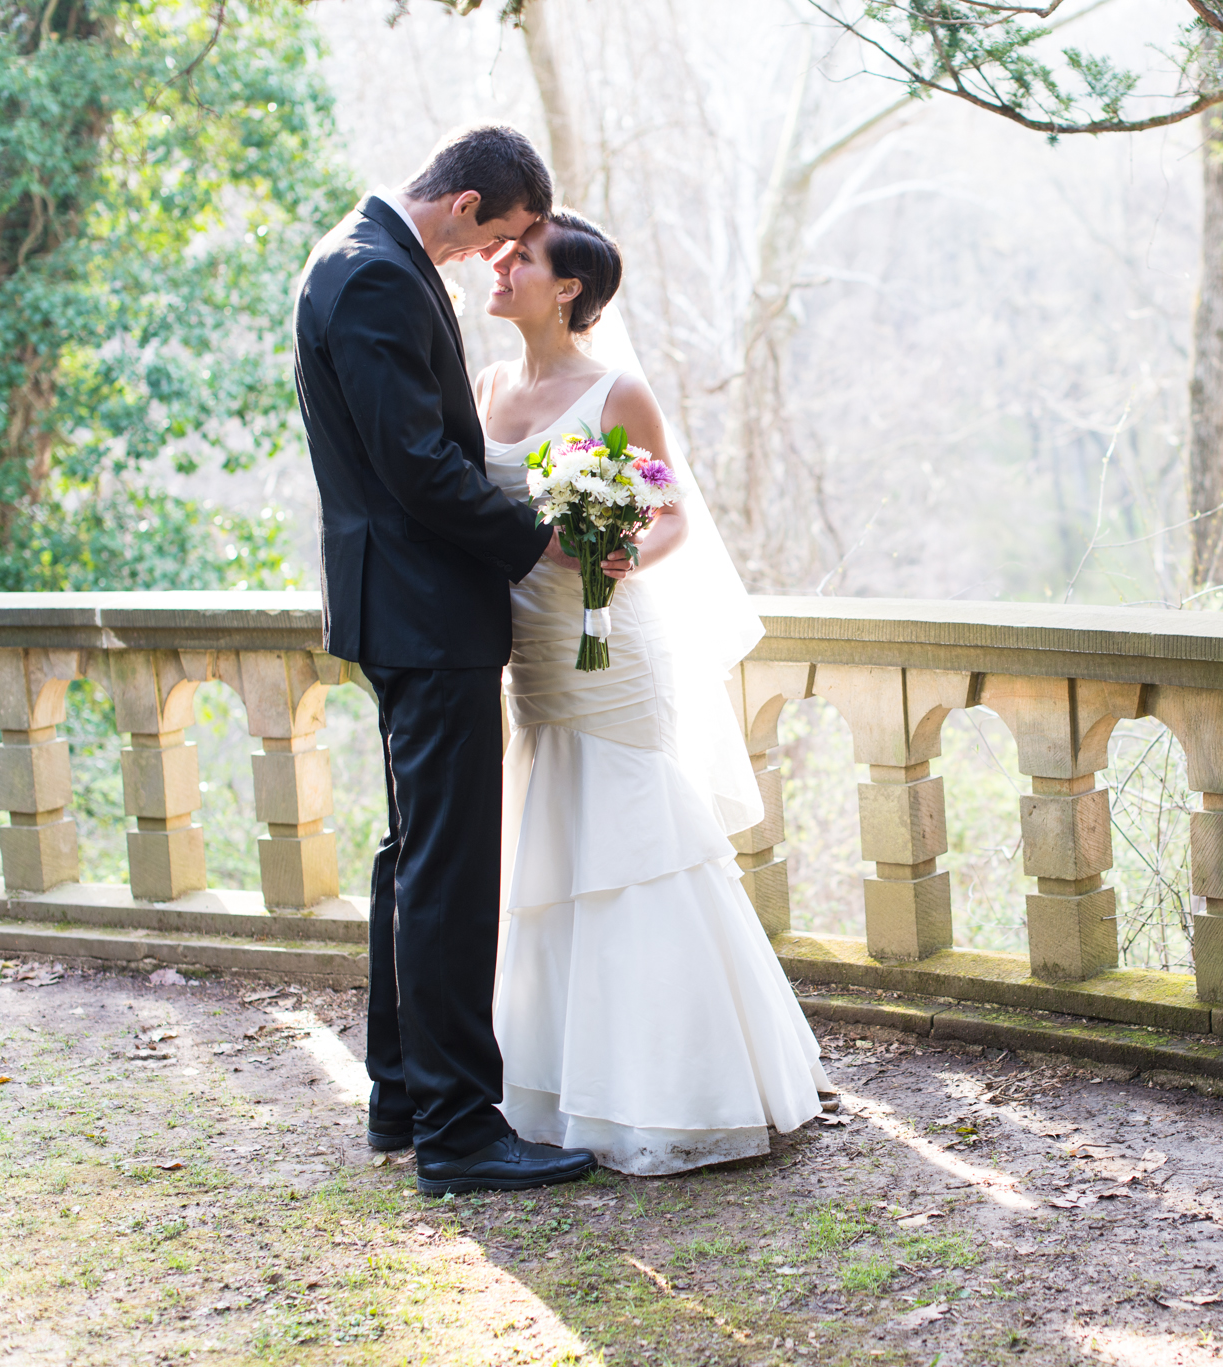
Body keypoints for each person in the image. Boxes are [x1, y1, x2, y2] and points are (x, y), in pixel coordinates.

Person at [476, 211, 832, 1175]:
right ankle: (556, 1085)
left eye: (524, 259)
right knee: (554, 844)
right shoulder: (490, 385)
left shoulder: (616, 391)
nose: (500, 267)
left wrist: (616, 553)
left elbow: (671, 514)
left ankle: (684, 1087)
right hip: (530, 653)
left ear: (568, 292)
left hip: (610, 646)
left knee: (635, 842)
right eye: (503, 255)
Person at [293, 124, 598, 1196]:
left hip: (407, 609)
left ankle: (405, 1096)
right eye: (502, 235)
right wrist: (539, 540)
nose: (493, 259)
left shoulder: (357, 254)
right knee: (450, 871)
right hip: (426, 612)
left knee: (415, 856)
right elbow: (417, 465)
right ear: (467, 203)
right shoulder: (374, 274)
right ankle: (461, 1131)